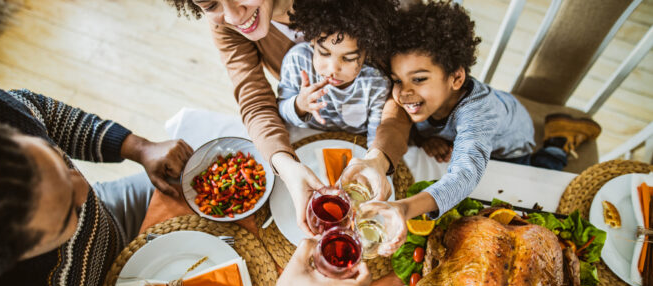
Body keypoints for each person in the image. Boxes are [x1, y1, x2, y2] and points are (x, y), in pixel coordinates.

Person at [0, 88, 371, 286]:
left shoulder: (2, 117)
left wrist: (136, 147)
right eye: (65, 213)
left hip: (112, 217)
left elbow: (35, 110)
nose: (83, 187)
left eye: (60, 165)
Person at [164, 0, 411, 235]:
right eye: (210, 5)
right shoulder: (228, 23)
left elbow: (399, 87)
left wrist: (378, 159)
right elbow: (254, 100)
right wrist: (286, 166)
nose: (233, 16)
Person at [386, 2, 600, 220]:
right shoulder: (422, 100)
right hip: (471, 134)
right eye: (397, 80)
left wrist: (405, 208)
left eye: (419, 79)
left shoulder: (478, 113)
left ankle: (559, 141)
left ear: (456, 78)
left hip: (511, 146)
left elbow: (465, 176)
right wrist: (425, 141)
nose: (404, 92)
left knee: (533, 184)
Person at [276, 0, 392, 146]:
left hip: (354, 144)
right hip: (307, 139)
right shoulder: (297, 61)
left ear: (367, 53)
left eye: (348, 58)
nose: (333, 69)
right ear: (312, 40)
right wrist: (299, 105)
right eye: (324, 53)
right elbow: (281, 111)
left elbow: (376, 137)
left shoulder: (375, 81)